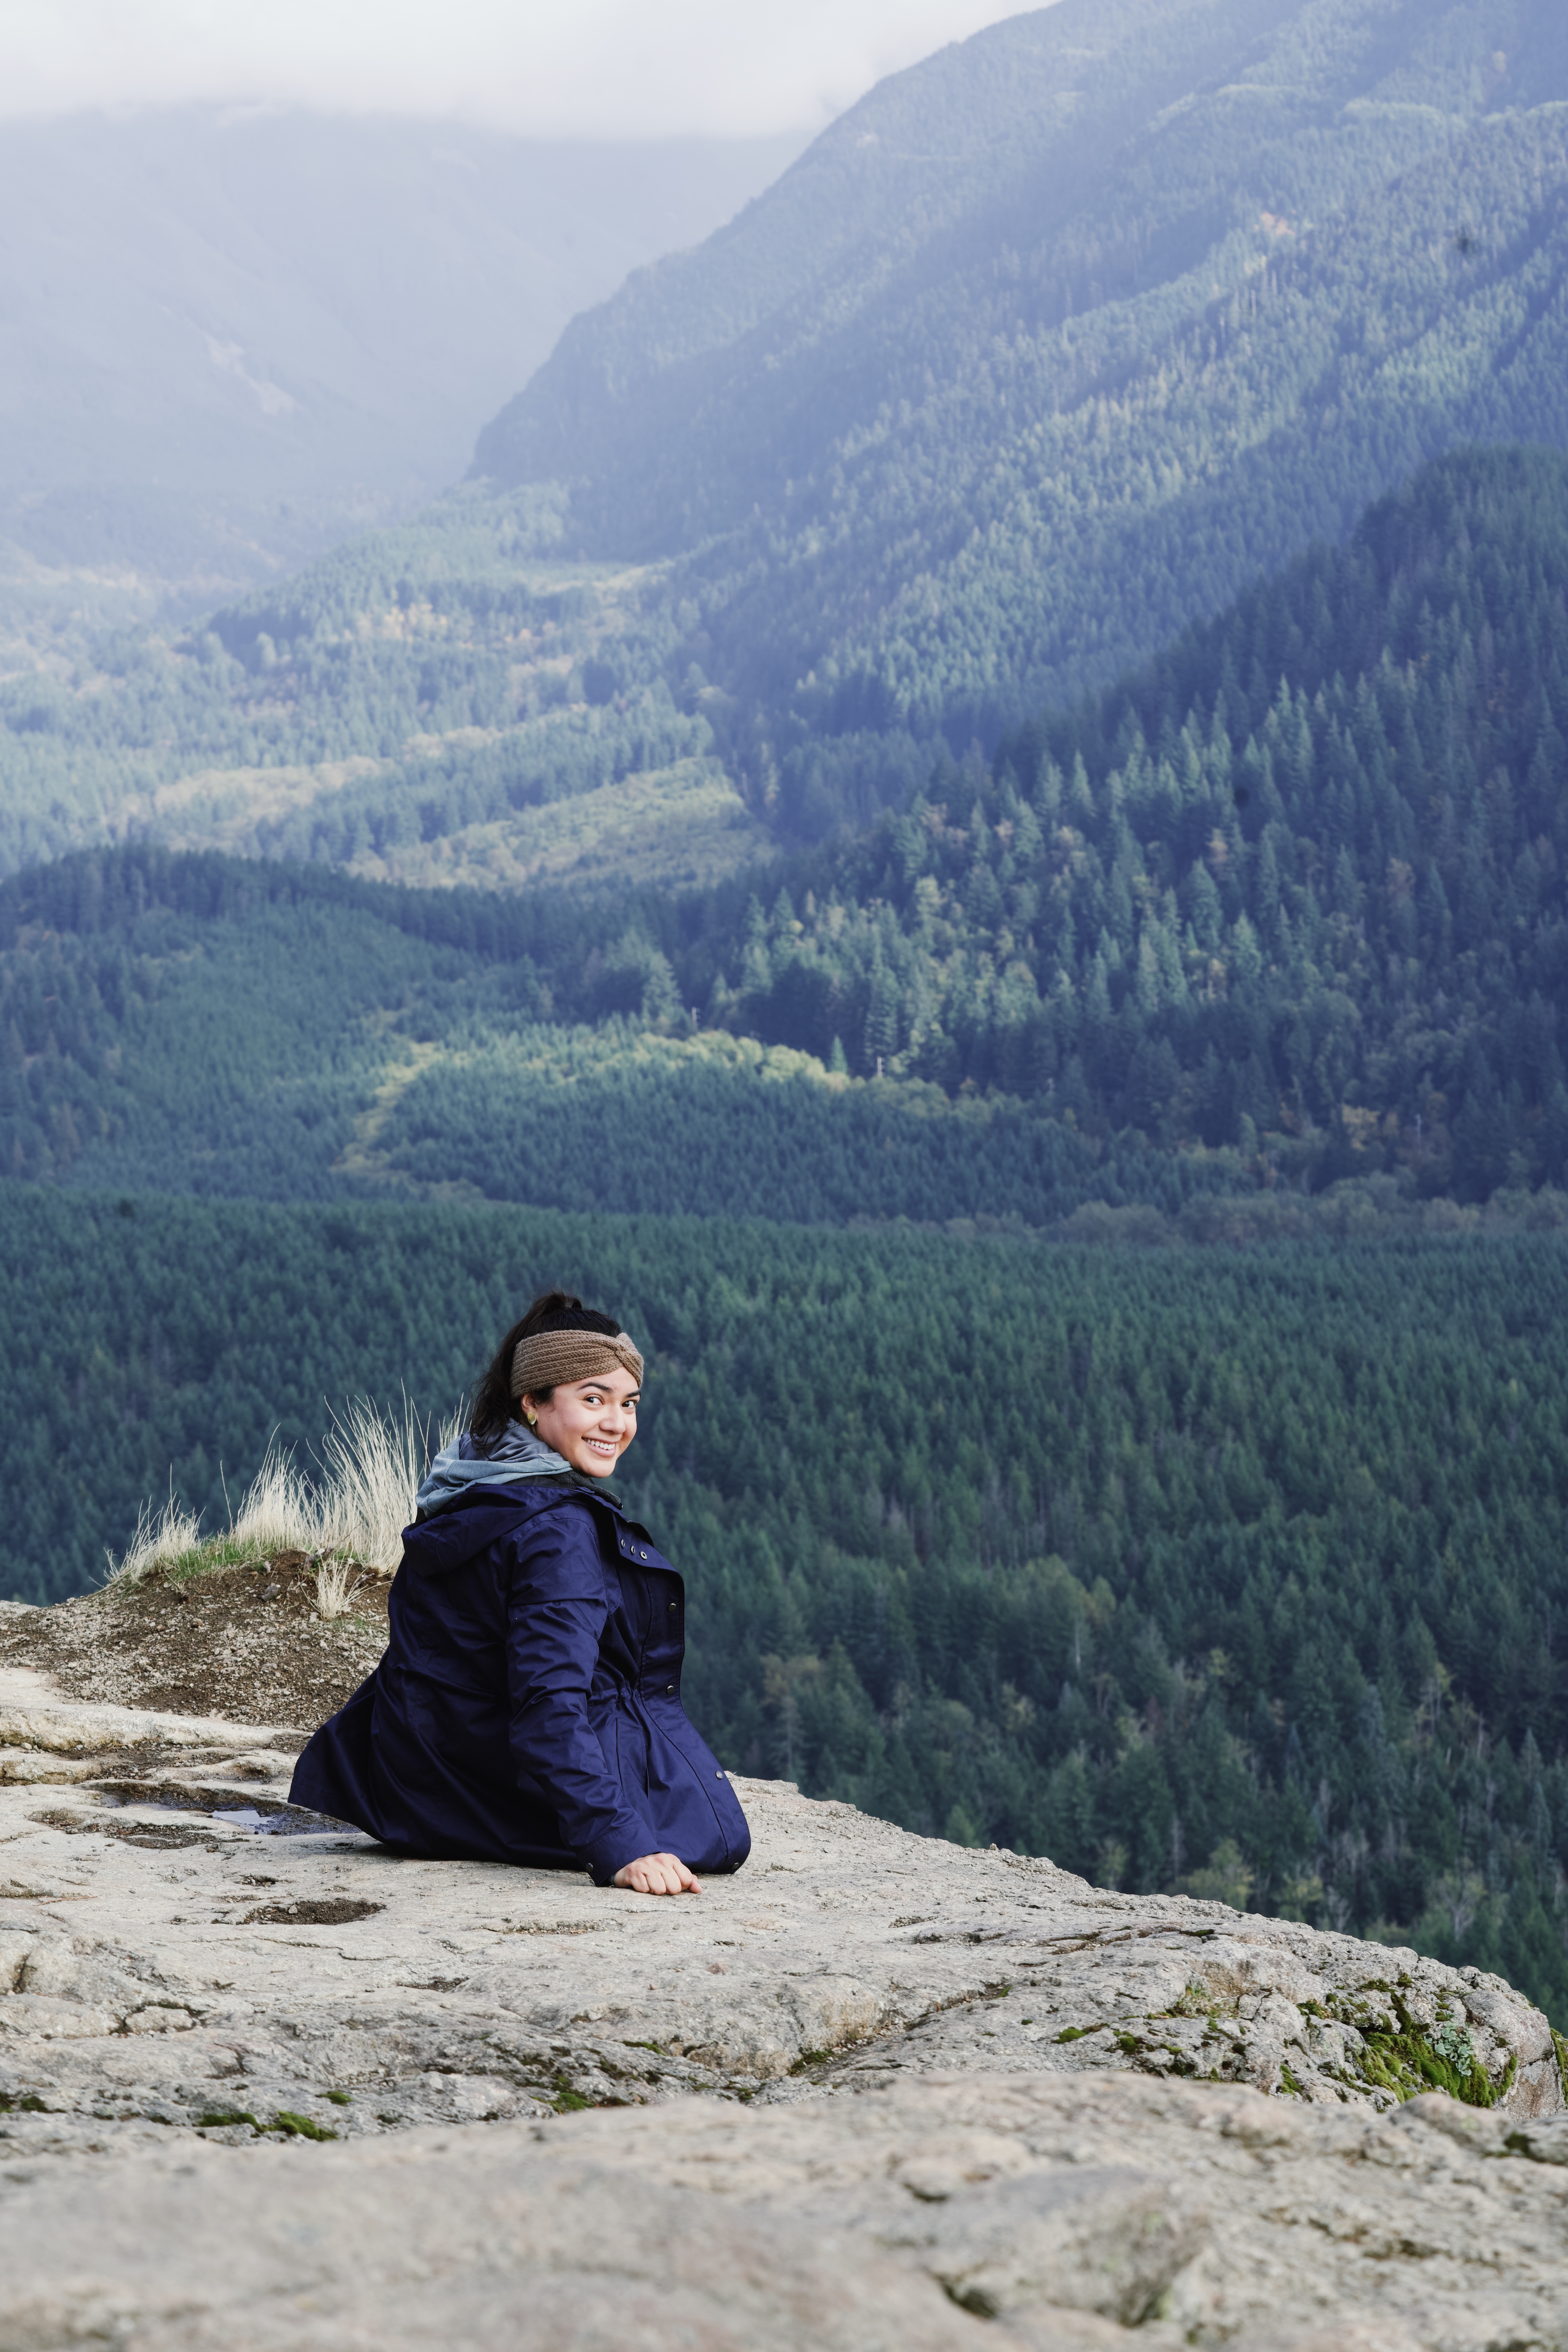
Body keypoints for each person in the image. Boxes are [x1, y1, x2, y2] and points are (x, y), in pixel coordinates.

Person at [289, 1291, 750, 1894]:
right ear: (532, 1402)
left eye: (629, 1403)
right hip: (493, 1793)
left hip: (414, 1787)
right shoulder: (557, 1532)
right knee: (713, 1833)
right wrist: (622, 1845)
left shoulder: (466, 1484)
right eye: (593, 1399)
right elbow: (548, 1709)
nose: (617, 1423)